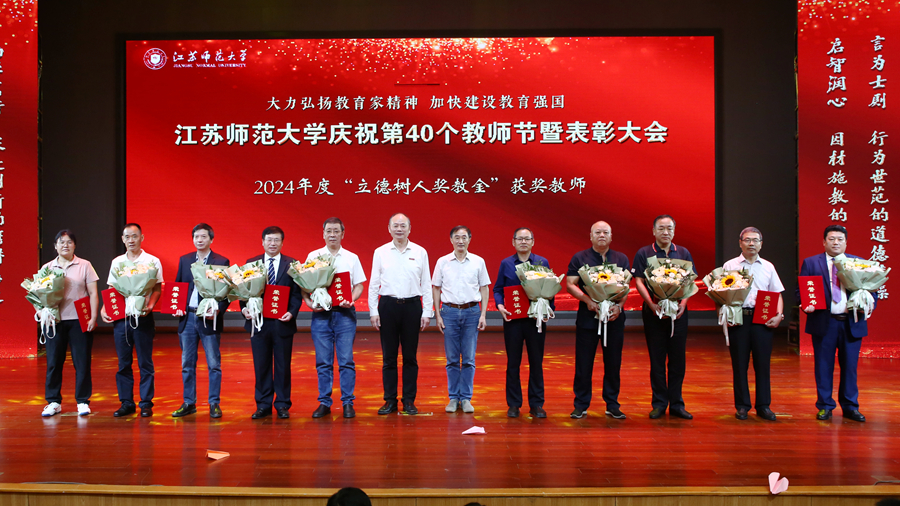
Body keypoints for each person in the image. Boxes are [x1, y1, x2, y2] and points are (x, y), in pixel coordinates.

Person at [798, 224, 873, 422]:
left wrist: (866, 302)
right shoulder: (811, 263)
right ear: (824, 242)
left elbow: (871, 290)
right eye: (831, 239)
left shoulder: (859, 263)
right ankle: (825, 406)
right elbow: (802, 291)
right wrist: (805, 304)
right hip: (824, 322)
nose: (836, 242)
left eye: (840, 239)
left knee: (850, 367)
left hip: (851, 323)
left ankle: (850, 407)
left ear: (846, 242)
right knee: (823, 366)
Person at [632, 214, 697, 420]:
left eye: (669, 228)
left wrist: (683, 304)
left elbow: (690, 281)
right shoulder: (644, 253)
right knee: (657, 358)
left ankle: (677, 404)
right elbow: (639, 281)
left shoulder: (683, 252)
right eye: (661, 228)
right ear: (654, 231)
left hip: (678, 313)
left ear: (674, 231)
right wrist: (651, 304)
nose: (665, 232)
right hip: (654, 312)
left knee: (678, 359)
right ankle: (659, 403)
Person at [368, 213, 433, 415]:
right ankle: (389, 400)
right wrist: (373, 311)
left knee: (410, 357)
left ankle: (409, 400)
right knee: (389, 357)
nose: (399, 229)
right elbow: (373, 283)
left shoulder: (420, 252)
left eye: (403, 226)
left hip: (412, 307)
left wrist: (427, 311)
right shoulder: (380, 252)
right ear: (389, 229)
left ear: (409, 229)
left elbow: (426, 283)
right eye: (395, 226)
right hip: (387, 306)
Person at [566, 221, 630, 419]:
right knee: (583, 363)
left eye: (605, 232)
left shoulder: (621, 258)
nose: (602, 235)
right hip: (588, 318)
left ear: (611, 236)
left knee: (613, 363)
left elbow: (626, 287)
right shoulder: (580, 257)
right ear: (591, 236)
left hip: (613, 318)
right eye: (598, 232)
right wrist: (587, 300)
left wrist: (619, 306)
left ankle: (612, 404)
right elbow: (570, 284)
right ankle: (581, 404)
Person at [303, 217, 366, 419]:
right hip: (321, 316)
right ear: (323, 234)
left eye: (336, 231)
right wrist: (310, 304)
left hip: (345, 314)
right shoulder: (313, 256)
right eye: (329, 231)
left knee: (346, 360)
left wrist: (352, 299)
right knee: (323, 361)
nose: (332, 235)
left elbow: (359, 285)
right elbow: (303, 285)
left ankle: (348, 402)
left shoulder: (351, 257)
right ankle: (324, 402)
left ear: (342, 234)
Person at [100, 223, 163, 418]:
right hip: (122, 318)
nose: (131, 240)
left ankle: (146, 403)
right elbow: (112, 289)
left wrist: (150, 305)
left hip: (143, 317)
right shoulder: (117, 262)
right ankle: (126, 402)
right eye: (127, 236)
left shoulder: (152, 261)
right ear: (122, 239)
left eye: (134, 236)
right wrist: (104, 307)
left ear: (142, 238)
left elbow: (157, 288)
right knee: (123, 363)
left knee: (145, 362)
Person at [722, 227, 784, 421]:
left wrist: (779, 315)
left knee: (762, 364)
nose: (751, 243)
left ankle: (764, 406)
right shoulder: (730, 265)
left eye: (755, 240)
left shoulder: (768, 266)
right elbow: (720, 293)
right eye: (747, 240)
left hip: (762, 318)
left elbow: (776, 293)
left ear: (761, 244)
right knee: (739, 364)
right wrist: (724, 317)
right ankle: (742, 406)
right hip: (739, 318)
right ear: (740, 243)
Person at [242, 226, 303, 420]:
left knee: (283, 365)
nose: (272, 243)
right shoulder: (251, 264)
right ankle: (263, 405)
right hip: (259, 322)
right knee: (261, 365)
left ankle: (283, 404)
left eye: (276, 240)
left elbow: (296, 293)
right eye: (269, 240)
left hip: (282, 321)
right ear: (262, 242)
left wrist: (292, 312)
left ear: (282, 243)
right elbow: (243, 291)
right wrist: (244, 309)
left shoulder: (291, 264)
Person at [493, 227, 554, 418]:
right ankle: (513, 404)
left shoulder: (542, 262)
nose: (523, 242)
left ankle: (536, 404)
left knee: (536, 362)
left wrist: (548, 310)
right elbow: (498, 289)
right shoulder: (506, 263)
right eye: (520, 239)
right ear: (513, 242)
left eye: (527, 239)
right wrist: (500, 305)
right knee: (513, 362)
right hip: (513, 320)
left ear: (533, 242)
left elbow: (550, 288)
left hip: (536, 320)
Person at [171, 223, 230, 419]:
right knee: (187, 363)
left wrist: (218, 310)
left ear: (211, 239)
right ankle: (189, 402)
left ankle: (214, 403)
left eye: (204, 236)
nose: (199, 240)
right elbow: (179, 287)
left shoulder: (221, 261)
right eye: (196, 236)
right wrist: (175, 307)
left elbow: (227, 292)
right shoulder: (185, 260)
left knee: (214, 363)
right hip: (188, 316)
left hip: (208, 318)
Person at [40, 230, 100, 417]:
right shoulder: (47, 268)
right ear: (55, 246)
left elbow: (93, 293)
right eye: (61, 242)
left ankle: (82, 401)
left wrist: (93, 317)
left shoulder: (85, 265)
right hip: (55, 321)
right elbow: (38, 294)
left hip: (79, 320)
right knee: (53, 362)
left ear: (74, 245)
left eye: (69, 242)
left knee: (82, 362)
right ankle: (53, 401)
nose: (65, 245)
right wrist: (41, 312)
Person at [432, 225, 491, 414]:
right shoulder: (442, 262)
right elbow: (436, 288)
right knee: (451, 359)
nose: (460, 241)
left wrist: (483, 314)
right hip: (449, 312)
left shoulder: (478, 261)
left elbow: (484, 288)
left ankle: (466, 398)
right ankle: (453, 398)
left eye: (464, 237)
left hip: (471, 312)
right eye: (456, 237)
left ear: (469, 240)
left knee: (468, 358)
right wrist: (437, 314)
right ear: (451, 240)